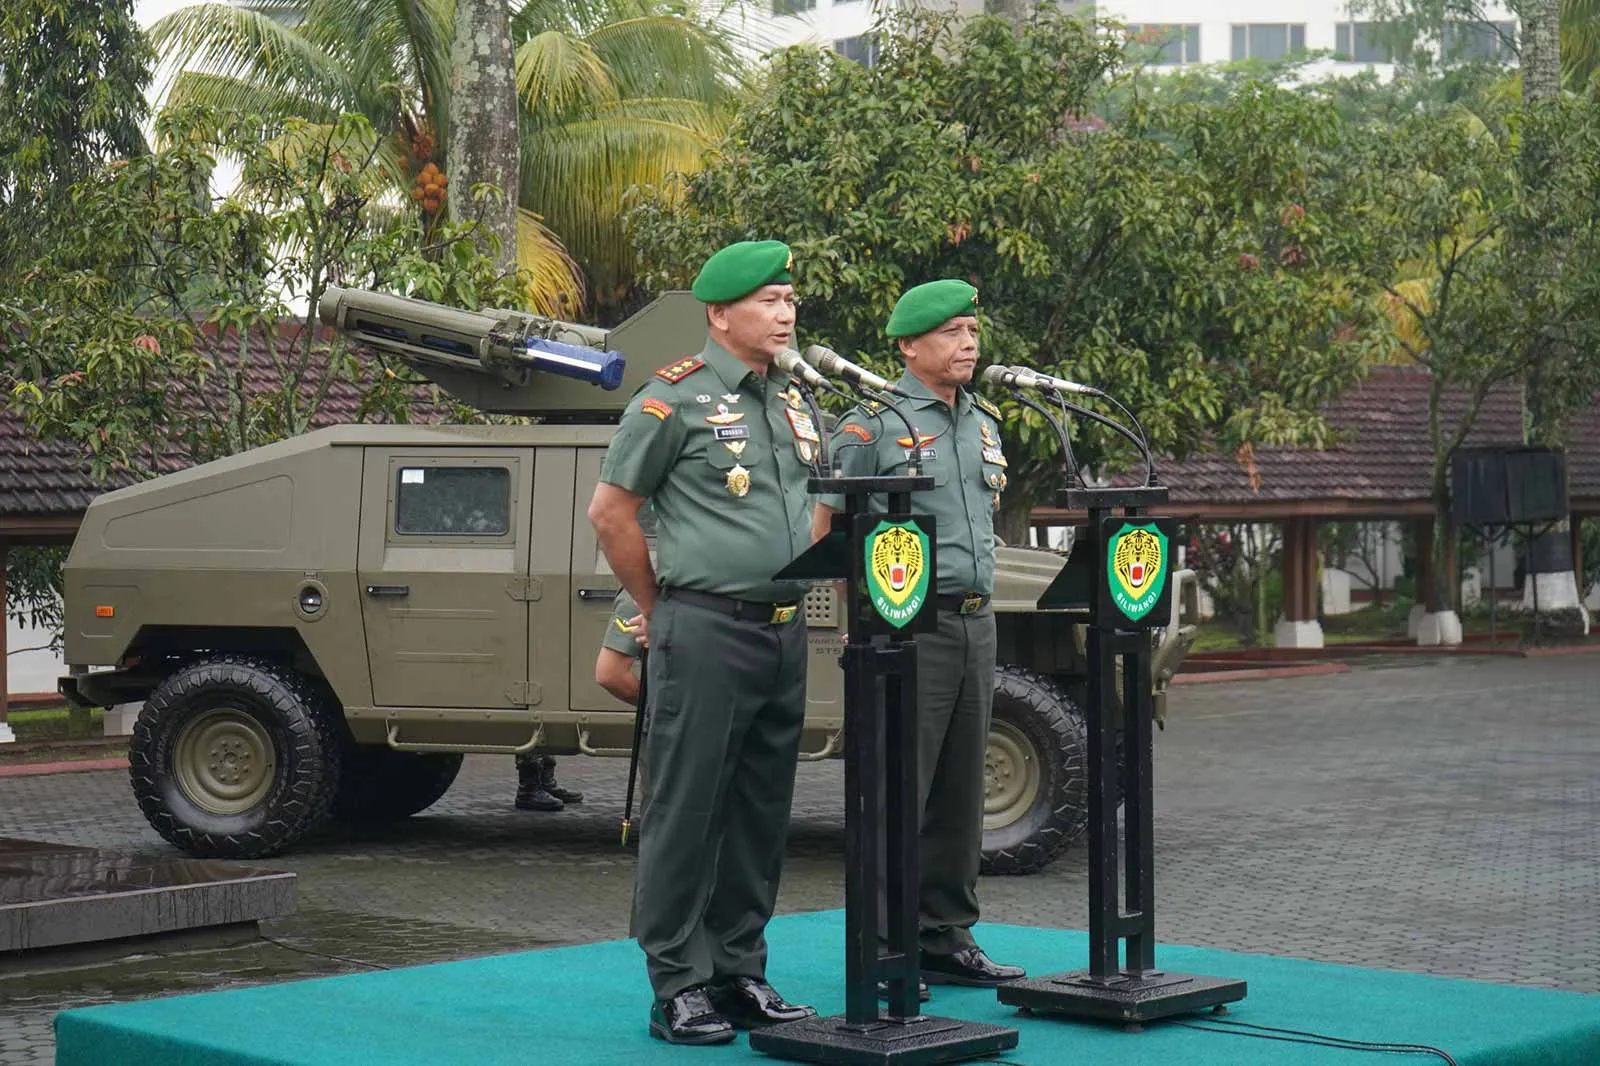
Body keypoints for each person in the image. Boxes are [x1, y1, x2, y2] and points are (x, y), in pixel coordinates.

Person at [587, 240, 818, 1046]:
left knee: (760, 812)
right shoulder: (671, 401)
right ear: (720, 314)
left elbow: (813, 507)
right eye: (768, 300)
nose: (786, 312)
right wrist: (661, 604)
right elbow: (611, 513)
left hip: (784, 633)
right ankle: (678, 985)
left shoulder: (794, 398)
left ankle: (739, 971)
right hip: (705, 626)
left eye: (790, 298)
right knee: (686, 809)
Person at [812, 278, 1026, 995]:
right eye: (951, 332)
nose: (968, 343)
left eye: (972, 330)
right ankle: (881, 940)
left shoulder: (983, 421)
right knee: (895, 784)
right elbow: (833, 532)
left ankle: (943, 933)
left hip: (975, 622)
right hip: (906, 625)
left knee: (960, 788)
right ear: (909, 346)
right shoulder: (870, 425)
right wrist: (862, 624)